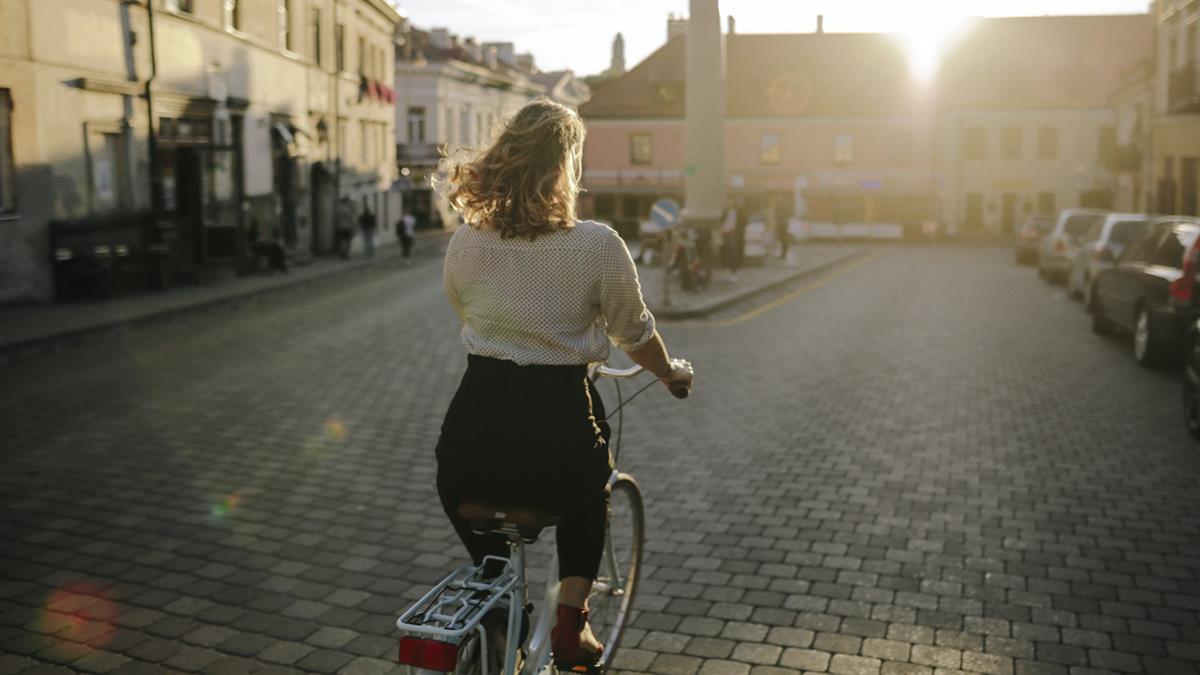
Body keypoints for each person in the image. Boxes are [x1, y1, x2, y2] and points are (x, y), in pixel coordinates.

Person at [435, 98, 694, 670]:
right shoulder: (597, 244)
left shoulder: (466, 240)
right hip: (556, 425)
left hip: (470, 434)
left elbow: (467, 312)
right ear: (567, 164)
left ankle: (496, 593)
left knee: (465, 498)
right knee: (587, 493)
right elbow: (634, 332)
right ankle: (572, 628)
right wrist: (670, 373)